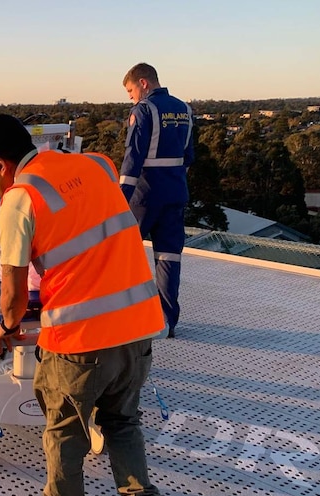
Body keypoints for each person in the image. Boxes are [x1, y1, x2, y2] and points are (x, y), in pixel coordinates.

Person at [0, 114, 168, 496]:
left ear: (0, 165)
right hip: (138, 325)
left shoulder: (20, 199)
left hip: (81, 335)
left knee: (64, 429)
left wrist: (6, 328)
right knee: (122, 422)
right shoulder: (95, 164)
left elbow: (14, 295)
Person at [120, 63, 194, 338]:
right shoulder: (185, 110)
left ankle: (124, 316)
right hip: (176, 192)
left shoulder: (143, 110)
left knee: (123, 254)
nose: (130, 97)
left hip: (144, 195)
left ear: (143, 83)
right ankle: (166, 322)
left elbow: (133, 159)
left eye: (130, 90)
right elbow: (189, 157)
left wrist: (120, 199)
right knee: (168, 257)